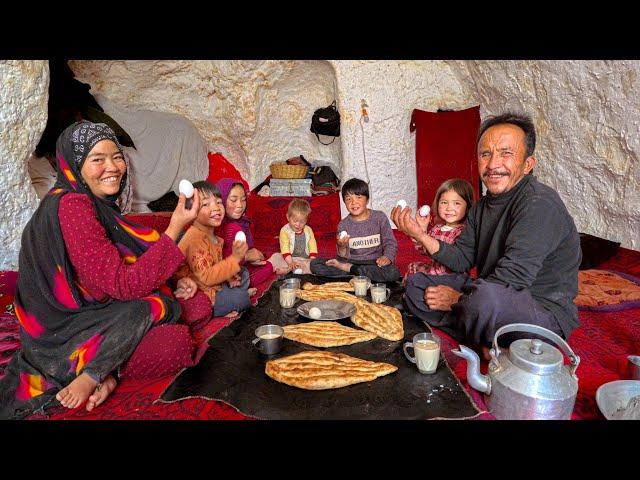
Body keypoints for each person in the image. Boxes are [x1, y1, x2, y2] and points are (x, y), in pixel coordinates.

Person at [0, 121, 201, 419]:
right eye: (97, 159)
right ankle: (95, 372)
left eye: (116, 156)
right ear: (75, 166)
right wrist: (174, 228)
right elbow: (125, 287)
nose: (113, 167)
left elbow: (115, 267)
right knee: (170, 328)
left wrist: (174, 277)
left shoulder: (91, 204)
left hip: (94, 307)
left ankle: (107, 373)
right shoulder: (72, 208)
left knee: (189, 304)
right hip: (62, 336)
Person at [393, 112, 581, 358]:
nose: (493, 165)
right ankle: (492, 346)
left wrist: (458, 300)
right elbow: (461, 258)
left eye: (506, 153)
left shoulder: (539, 203)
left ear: (527, 164)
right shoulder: (482, 207)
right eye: (485, 154)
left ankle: (485, 334)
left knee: (484, 300)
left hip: (536, 309)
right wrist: (420, 234)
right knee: (417, 284)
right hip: (489, 292)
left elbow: (513, 278)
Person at [174, 181, 253, 318]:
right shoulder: (194, 239)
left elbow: (216, 264)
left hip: (214, 283)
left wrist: (228, 277)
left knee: (243, 274)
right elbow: (207, 278)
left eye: (218, 202)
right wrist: (234, 258)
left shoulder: (212, 235)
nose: (216, 208)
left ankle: (232, 295)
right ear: (192, 212)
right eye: (206, 204)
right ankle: (219, 308)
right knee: (241, 298)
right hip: (199, 290)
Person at [310, 178, 401, 283]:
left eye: (358, 197)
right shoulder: (343, 225)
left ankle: (353, 272)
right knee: (315, 264)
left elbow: (390, 242)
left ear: (367, 199)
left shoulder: (379, 217)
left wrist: (387, 257)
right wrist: (341, 246)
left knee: (393, 273)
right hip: (351, 262)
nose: (353, 202)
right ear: (344, 202)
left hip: (375, 263)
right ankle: (358, 272)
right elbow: (342, 258)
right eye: (348, 199)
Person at [217, 178, 290, 289]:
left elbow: (247, 249)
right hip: (224, 274)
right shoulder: (220, 226)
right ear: (221, 200)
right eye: (233, 200)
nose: (240, 205)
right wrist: (246, 257)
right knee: (265, 269)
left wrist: (253, 258)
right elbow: (218, 260)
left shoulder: (242, 222)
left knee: (266, 266)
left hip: (241, 266)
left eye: (243, 199)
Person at [403, 178, 475, 283]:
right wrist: (422, 229)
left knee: (418, 279)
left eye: (456, 203)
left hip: (453, 277)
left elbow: (455, 258)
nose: (449, 208)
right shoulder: (437, 229)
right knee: (413, 267)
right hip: (435, 271)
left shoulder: (463, 232)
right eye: (444, 202)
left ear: (467, 207)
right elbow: (424, 250)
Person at [274, 199, 318, 275]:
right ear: (288, 217)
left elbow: (312, 244)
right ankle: (290, 268)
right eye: (295, 221)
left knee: (311, 265)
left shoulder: (308, 230)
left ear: (306, 220)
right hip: (288, 258)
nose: (298, 224)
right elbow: (284, 248)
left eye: (302, 222)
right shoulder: (284, 230)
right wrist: (290, 262)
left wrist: (312, 259)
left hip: (304, 258)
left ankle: (290, 270)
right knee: (276, 256)